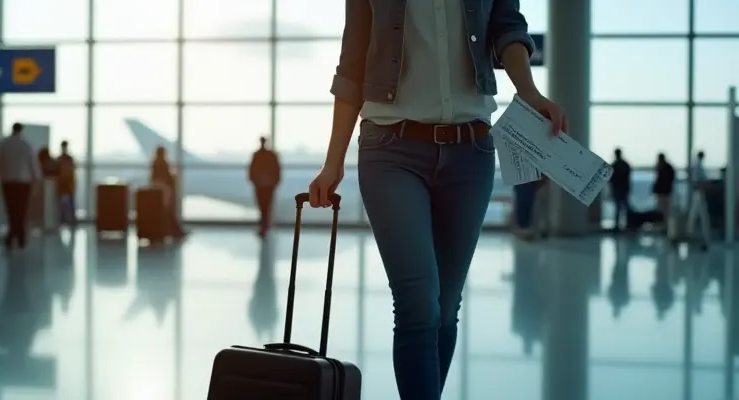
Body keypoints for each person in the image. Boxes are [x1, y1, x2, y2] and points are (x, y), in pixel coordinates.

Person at [306, 1, 567, 398]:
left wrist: (528, 91)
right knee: (417, 306)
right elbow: (352, 62)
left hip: (472, 150)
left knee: (445, 311)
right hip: (390, 150)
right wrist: (333, 162)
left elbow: (508, 27)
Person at [0, 123, 40, 250]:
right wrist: (35, 181)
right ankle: (20, 237)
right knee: (22, 210)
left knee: (11, 210)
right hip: (23, 183)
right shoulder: (26, 145)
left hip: (8, 182)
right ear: (21, 130)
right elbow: (33, 166)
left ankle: (12, 236)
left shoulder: (4, 144)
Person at [248, 137, 281, 236]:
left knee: (262, 206)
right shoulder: (271, 155)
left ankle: (263, 226)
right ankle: (265, 226)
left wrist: (254, 180)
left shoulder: (257, 155)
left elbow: (252, 169)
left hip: (260, 184)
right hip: (268, 185)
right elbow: (277, 169)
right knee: (266, 206)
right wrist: (275, 182)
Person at [150, 147, 185, 238]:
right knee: (169, 210)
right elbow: (168, 177)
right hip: (165, 192)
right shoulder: (163, 164)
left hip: (160, 192)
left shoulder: (155, 163)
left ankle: (174, 230)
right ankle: (175, 231)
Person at [610, 148, 632, 232]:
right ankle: (629, 224)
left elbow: (611, 179)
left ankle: (617, 226)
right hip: (624, 189)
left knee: (618, 208)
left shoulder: (614, 165)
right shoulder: (625, 164)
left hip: (617, 189)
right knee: (626, 207)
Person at [56, 141, 77, 227]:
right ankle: (62, 219)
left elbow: (73, 170)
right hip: (62, 183)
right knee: (60, 203)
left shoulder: (69, 159)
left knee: (71, 202)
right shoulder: (59, 159)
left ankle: (71, 220)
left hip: (68, 183)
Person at [652, 153, 676, 226]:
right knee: (666, 209)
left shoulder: (661, 167)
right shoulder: (668, 167)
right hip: (666, 191)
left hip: (662, 192)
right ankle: (665, 224)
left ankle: (662, 224)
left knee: (661, 208)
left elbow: (658, 180)